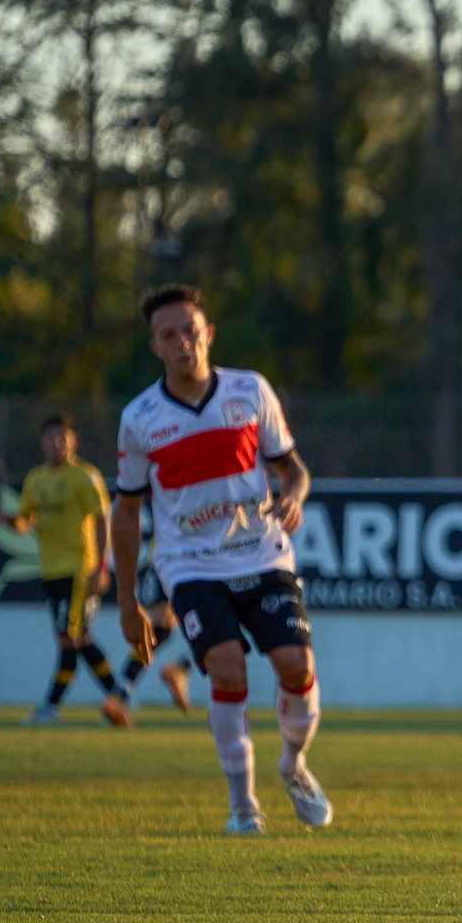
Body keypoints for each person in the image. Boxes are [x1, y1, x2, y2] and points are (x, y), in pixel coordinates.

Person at [112, 284, 332, 835]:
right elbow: (126, 509)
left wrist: (294, 496)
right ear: (155, 347)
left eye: (190, 331)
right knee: (227, 666)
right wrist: (127, 602)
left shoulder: (250, 390)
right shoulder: (139, 417)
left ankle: (293, 764)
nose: (182, 343)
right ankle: (243, 806)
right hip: (190, 565)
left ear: (208, 334)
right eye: (169, 335)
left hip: (262, 554)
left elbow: (293, 469)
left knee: (297, 666)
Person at [0, 415, 131, 727]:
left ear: (73, 441)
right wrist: (9, 520)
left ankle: (50, 707)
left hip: (80, 569)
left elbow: (102, 519)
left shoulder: (85, 476)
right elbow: (26, 521)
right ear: (42, 442)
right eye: (50, 437)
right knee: (79, 639)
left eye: (62, 437)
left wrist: (101, 567)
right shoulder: (36, 478)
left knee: (70, 639)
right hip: (51, 571)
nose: (56, 443)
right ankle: (119, 697)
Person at [113, 515, 197, 715]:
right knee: (222, 619)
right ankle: (182, 667)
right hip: (184, 557)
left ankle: (120, 693)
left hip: (159, 557)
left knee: (161, 630)